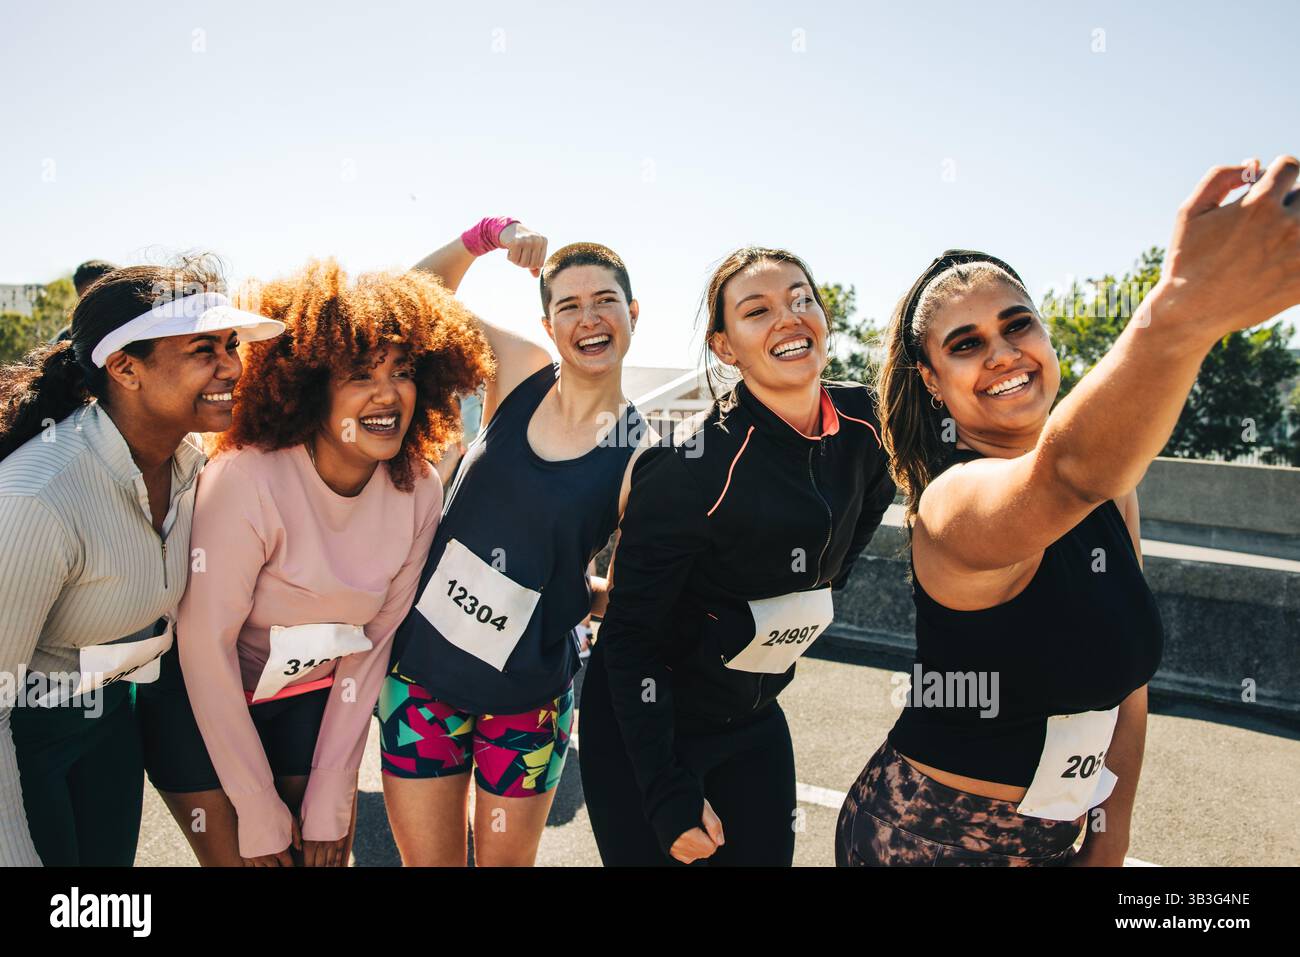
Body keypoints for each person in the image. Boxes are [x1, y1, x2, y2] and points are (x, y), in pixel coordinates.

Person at [836, 156, 1300, 867]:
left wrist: (1109, 845)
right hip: (924, 840)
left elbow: (1128, 694)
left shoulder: (1115, 489)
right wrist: (1184, 307)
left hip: (1057, 843)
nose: (1001, 352)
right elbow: (1064, 474)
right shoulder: (951, 502)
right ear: (931, 380)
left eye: (1018, 324)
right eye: (965, 344)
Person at [137, 259, 492, 867]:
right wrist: (255, 805)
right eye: (360, 373)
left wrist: (331, 794)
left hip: (308, 695)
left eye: (403, 371)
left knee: (323, 851)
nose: (388, 392)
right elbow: (203, 646)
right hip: (200, 700)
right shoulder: (246, 479)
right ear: (310, 386)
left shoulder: (420, 490)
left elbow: (372, 644)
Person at [580, 247, 897, 866]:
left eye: (802, 299)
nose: (789, 317)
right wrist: (667, 789)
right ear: (725, 348)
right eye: (758, 311)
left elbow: (865, 517)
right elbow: (627, 638)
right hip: (649, 728)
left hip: (753, 720)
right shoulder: (688, 468)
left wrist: (816, 595)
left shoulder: (868, 424)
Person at [380, 217, 649, 866]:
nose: (589, 318)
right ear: (549, 325)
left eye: (605, 301)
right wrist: (486, 236)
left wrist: (574, 595)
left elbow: (633, 592)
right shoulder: (521, 373)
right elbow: (409, 300)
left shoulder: (642, 454)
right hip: (422, 679)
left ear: (633, 313)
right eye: (570, 305)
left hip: (529, 702)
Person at [0, 258, 284, 865]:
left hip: (112, 719)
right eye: (204, 348)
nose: (232, 365)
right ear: (126, 368)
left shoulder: (194, 466)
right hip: (23, 737)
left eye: (231, 344)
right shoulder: (38, 497)